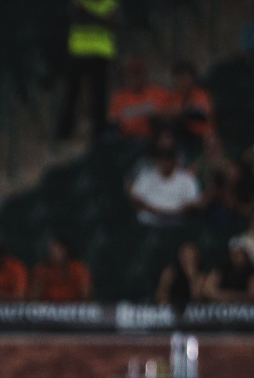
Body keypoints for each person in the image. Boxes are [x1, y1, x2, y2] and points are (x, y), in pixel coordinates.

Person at [56, 0, 120, 142]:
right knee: (72, 93)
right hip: (79, 50)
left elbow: (112, 20)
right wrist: (98, 15)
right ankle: (64, 131)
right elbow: (75, 13)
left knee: (98, 94)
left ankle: (99, 131)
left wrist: (89, 11)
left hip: (100, 50)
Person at [128, 147, 200, 227]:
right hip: (150, 223)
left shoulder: (187, 178)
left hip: (178, 223)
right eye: (163, 159)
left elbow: (194, 202)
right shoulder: (146, 176)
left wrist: (175, 212)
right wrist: (153, 210)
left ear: (175, 161)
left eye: (169, 159)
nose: (166, 163)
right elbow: (136, 197)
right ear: (158, 161)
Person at [107, 58, 169, 142]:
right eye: (131, 75)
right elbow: (113, 120)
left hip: (150, 141)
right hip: (126, 141)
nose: (135, 78)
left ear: (144, 75)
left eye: (138, 74)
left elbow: (171, 112)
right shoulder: (119, 98)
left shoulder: (157, 93)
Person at [162, 60, 214, 147]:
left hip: (203, 136)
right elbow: (165, 113)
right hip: (182, 137)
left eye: (185, 79)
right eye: (179, 79)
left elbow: (204, 113)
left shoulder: (201, 94)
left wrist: (184, 111)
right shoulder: (173, 97)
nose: (183, 83)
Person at [29, 235, 92, 301]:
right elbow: (33, 297)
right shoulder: (41, 270)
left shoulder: (77, 269)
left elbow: (86, 295)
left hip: (74, 308)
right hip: (47, 308)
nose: (52, 252)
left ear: (65, 250)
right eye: (50, 250)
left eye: (56, 249)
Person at [155, 240, 206, 315]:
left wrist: (191, 276)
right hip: (171, 311)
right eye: (186, 255)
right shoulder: (171, 273)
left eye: (192, 255)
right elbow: (160, 295)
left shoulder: (201, 275)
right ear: (180, 256)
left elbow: (197, 296)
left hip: (194, 313)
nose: (189, 258)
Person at [203, 238, 254, 302]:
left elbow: (252, 294)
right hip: (221, 308)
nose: (238, 257)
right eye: (235, 253)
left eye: (240, 253)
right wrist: (226, 296)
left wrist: (235, 296)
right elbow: (208, 290)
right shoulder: (221, 268)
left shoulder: (251, 270)